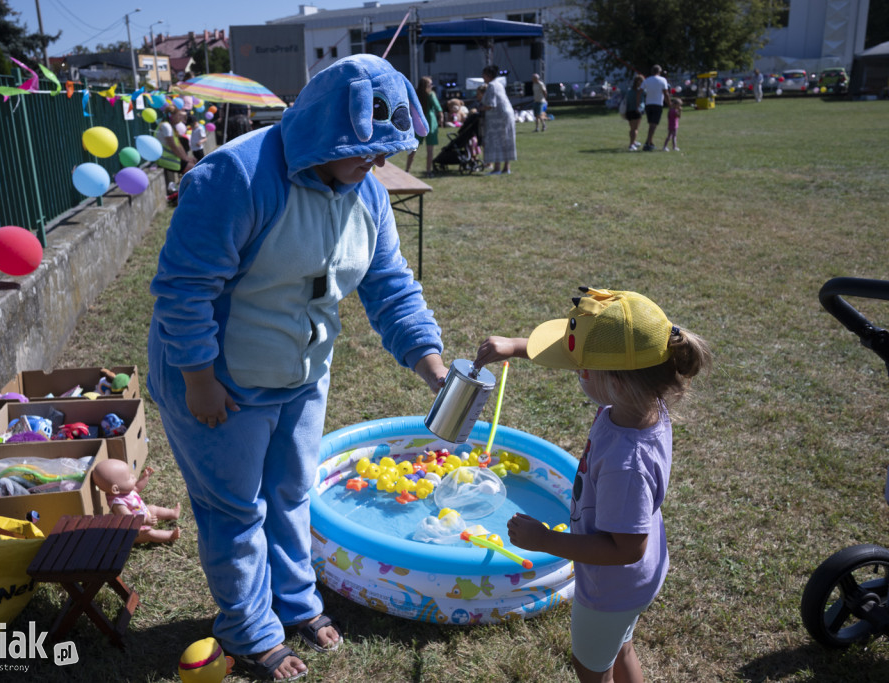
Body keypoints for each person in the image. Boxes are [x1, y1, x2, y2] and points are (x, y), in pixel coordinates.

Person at [146, 54, 449, 682]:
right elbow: (184, 290)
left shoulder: (364, 189)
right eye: (367, 153)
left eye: (383, 155)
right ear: (328, 134)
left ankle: (296, 602)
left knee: (290, 492)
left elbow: (390, 286)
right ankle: (248, 630)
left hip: (302, 374)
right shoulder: (235, 176)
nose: (377, 167)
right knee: (235, 510)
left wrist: (435, 369)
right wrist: (199, 380)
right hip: (218, 381)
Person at [474, 287, 712, 683]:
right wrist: (516, 347)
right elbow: (583, 358)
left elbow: (626, 548)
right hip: (637, 579)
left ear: (616, 383)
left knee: (591, 665)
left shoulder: (626, 462)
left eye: (584, 368)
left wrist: (545, 540)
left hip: (610, 587)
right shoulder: (642, 402)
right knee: (621, 647)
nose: (578, 372)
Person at [91, 460, 182, 544]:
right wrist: (145, 520)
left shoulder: (124, 489)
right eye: (129, 478)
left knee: (153, 508)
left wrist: (145, 478)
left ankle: (173, 513)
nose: (133, 476)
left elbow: (137, 488)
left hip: (143, 513)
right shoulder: (118, 503)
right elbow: (130, 519)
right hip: (135, 530)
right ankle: (170, 536)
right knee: (149, 533)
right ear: (115, 489)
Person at [478, 64, 516, 175]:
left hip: (498, 117)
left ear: (488, 75)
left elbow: (491, 104)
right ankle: (506, 167)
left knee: (496, 141)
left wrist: (480, 108)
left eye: (484, 75)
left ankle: (497, 168)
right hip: (507, 115)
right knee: (506, 140)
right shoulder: (499, 84)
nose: (482, 77)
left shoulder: (491, 86)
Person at [405, 75, 444, 177]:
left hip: (418, 122)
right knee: (430, 150)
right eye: (430, 84)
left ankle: (407, 170)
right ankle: (428, 171)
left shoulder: (415, 94)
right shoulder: (431, 95)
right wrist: (441, 118)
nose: (432, 86)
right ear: (427, 85)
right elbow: (438, 108)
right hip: (430, 122)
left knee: (413, 149)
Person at [157, 104, 196, 191]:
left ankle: (182, 189)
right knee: (194, 170)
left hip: (173, 158)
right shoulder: (166, 126)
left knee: (194, 164)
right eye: (178, 115)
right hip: (167, 160)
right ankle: (182, 191)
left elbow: (178, 145)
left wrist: (187, 158)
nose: (180, 118)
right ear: (171, 116)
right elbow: (174, 146)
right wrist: (186, 160)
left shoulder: (170, 127)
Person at [641, 65, 670, 151]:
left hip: (648, 104)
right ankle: (648, 143)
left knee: (651, 124)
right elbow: (666, 93)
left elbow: (640, 90)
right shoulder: (663, 80)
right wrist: (670, 104)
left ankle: (650, 142)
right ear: (660, 72)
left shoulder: (647, 80)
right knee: (653, 125)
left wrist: (638, 103)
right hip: (657, 104)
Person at [624, 75, 645, 151]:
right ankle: (631, 144)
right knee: (635, 129)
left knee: (632, 129)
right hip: (636, 111)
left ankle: (634, 142)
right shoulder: (641, 91)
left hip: (629, 111)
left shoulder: (629, 91)